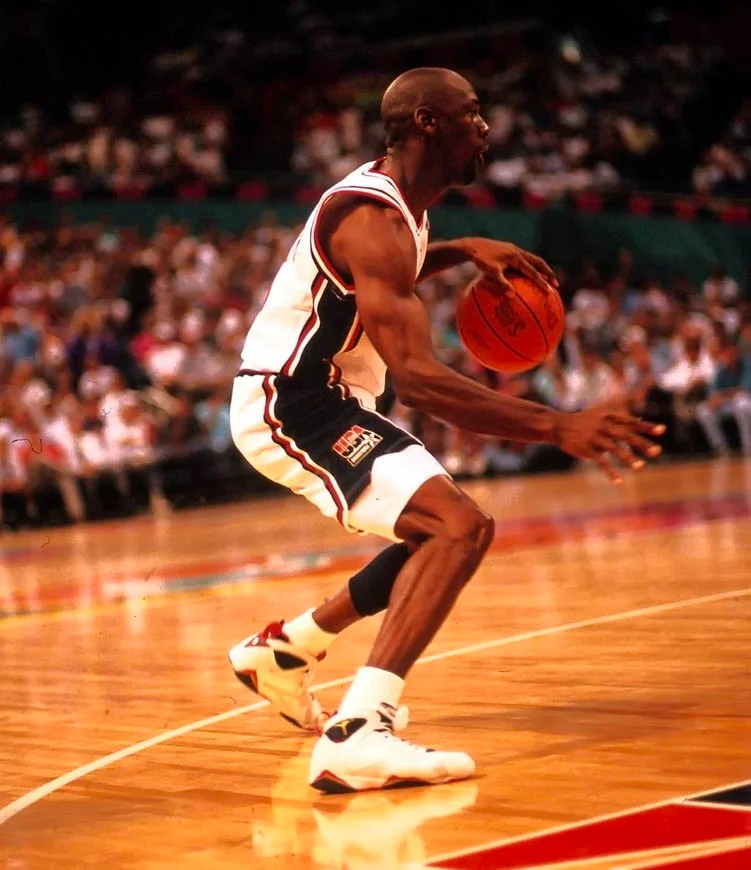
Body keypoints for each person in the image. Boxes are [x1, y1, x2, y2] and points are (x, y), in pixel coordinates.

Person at [227, 67, 664, 794]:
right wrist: (557, 426)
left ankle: (286, 649)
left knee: (442, 533)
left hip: (329, 399)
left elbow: (390, 272)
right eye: (473, 114)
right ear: (428, 123)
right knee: (456, 527)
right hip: (293, 402)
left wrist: (460, 251)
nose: (485, 128)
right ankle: (356, 734)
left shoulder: (399, 212)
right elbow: (422, 380)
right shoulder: (372, 218)